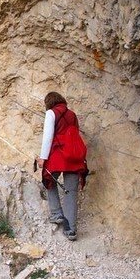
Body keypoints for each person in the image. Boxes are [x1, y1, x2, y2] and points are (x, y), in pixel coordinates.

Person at [36, 91, 87, 241]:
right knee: (71, 191)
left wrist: (43, 158)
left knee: (49, 180)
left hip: (57, 156)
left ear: (49, 103)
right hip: (74, 157)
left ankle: (57, 213)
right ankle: (71, 230)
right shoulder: (72, 115)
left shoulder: (51, 113)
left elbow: (48, 136)